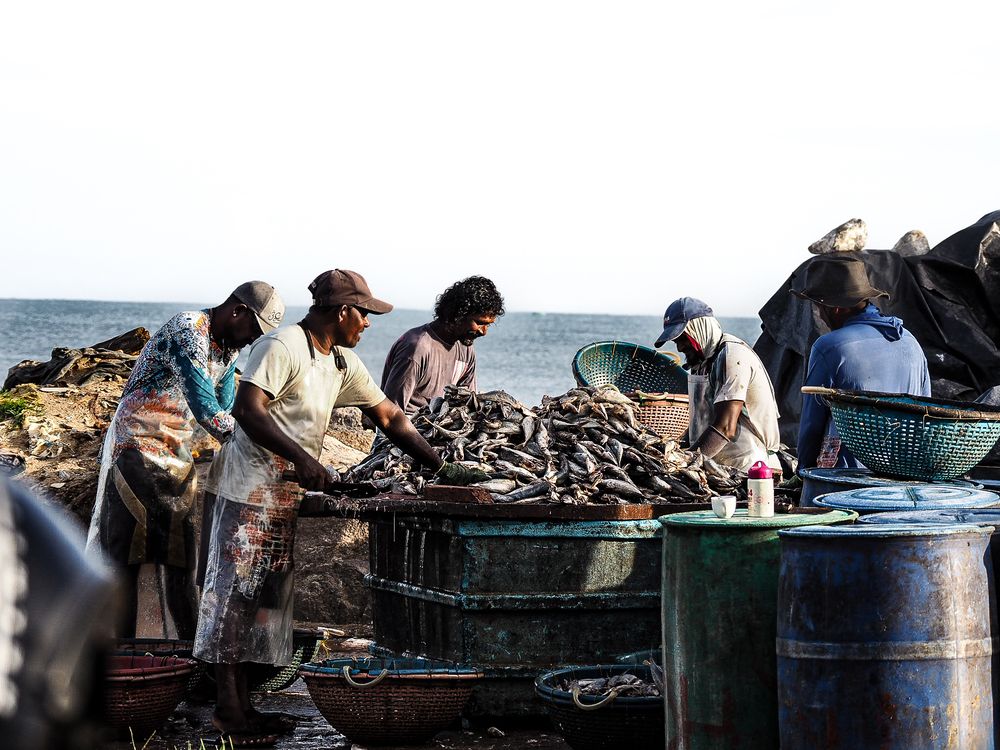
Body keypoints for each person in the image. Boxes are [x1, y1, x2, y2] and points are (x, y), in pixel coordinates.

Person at [193, 269, 486, 745]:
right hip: (244, 491)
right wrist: (303, 458)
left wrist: (441, 467)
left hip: (283, 496)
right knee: (232, 600)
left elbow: (389, 415)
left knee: (265, 603)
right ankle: (228, 712)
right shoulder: (283, 346)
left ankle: (247, 706)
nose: (369, 324)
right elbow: (248, 409)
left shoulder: (340, 363)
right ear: (341, 311)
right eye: (365, 314)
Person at [86, 281, 285, 640]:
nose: (251, 340)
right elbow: (206, 406)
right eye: (253, 331)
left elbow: (230, 409)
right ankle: (124, 651)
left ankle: (190, 652)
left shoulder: (228, 351)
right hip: (135, 446)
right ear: (238, 311)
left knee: (181, 557)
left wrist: (261, 440)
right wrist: (261, 445)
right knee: (126, 554)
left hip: (175, 452)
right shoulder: (189, 329)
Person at [792, 254, 931, 469]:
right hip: (902, 480)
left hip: (847, 484)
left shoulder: (829, 347)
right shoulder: (911, 342)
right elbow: (926, 416)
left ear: (835, 308)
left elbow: (812, 426)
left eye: (819, 307)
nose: (819, 315)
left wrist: (802, 474)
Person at [654, 297, 781, 472]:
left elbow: (726, 426)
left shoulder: (733, 357)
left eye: (683, 338)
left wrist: (685, 465)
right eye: (676, 342)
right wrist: (677, 449)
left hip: (752, 469)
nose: (680, 348)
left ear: (699, 329)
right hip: (717, 466)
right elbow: (701, 421)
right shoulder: (700, 363)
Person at [381, 276, 505, 414]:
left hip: (439, 423)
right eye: (480, 323)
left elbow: (467, 404)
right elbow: (389, 414)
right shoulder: (417, 348)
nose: (484, 332)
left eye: (488, 324)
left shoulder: (466, 349)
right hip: (406, 426)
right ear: (458, 314)